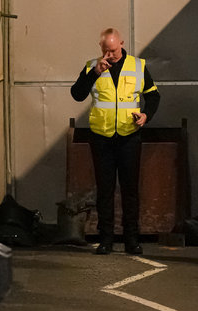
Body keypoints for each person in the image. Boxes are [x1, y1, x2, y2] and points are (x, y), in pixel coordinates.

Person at [69, 27, 161, 256]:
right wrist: (95, 73)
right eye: (106, 51)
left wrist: (146, 115)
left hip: (129, 136)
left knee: (130, 189)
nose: (110, 55)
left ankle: (132, 239)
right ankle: (106, 239)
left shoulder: (138, 66)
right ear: (100, 48)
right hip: (101, 137)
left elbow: (153, 95)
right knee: (105, 190)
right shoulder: (93, 66)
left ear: (121, 43)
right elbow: (77, 94)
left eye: (114, 49)